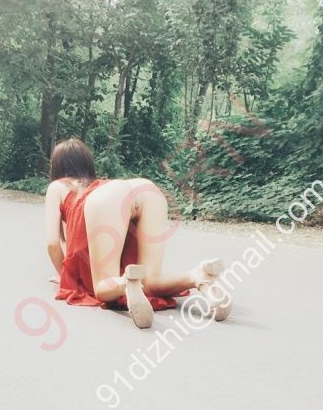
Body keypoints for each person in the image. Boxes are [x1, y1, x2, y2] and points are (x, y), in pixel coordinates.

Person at [44, 137, 231, 329]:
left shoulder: (57, 186)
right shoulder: (96, 183)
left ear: (57, 166)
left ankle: (126, 282)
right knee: (150, 281)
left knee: (103, 286)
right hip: (145, 189)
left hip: (109, 198)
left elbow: (53, 244)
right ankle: (198, 276)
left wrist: (64, 276)